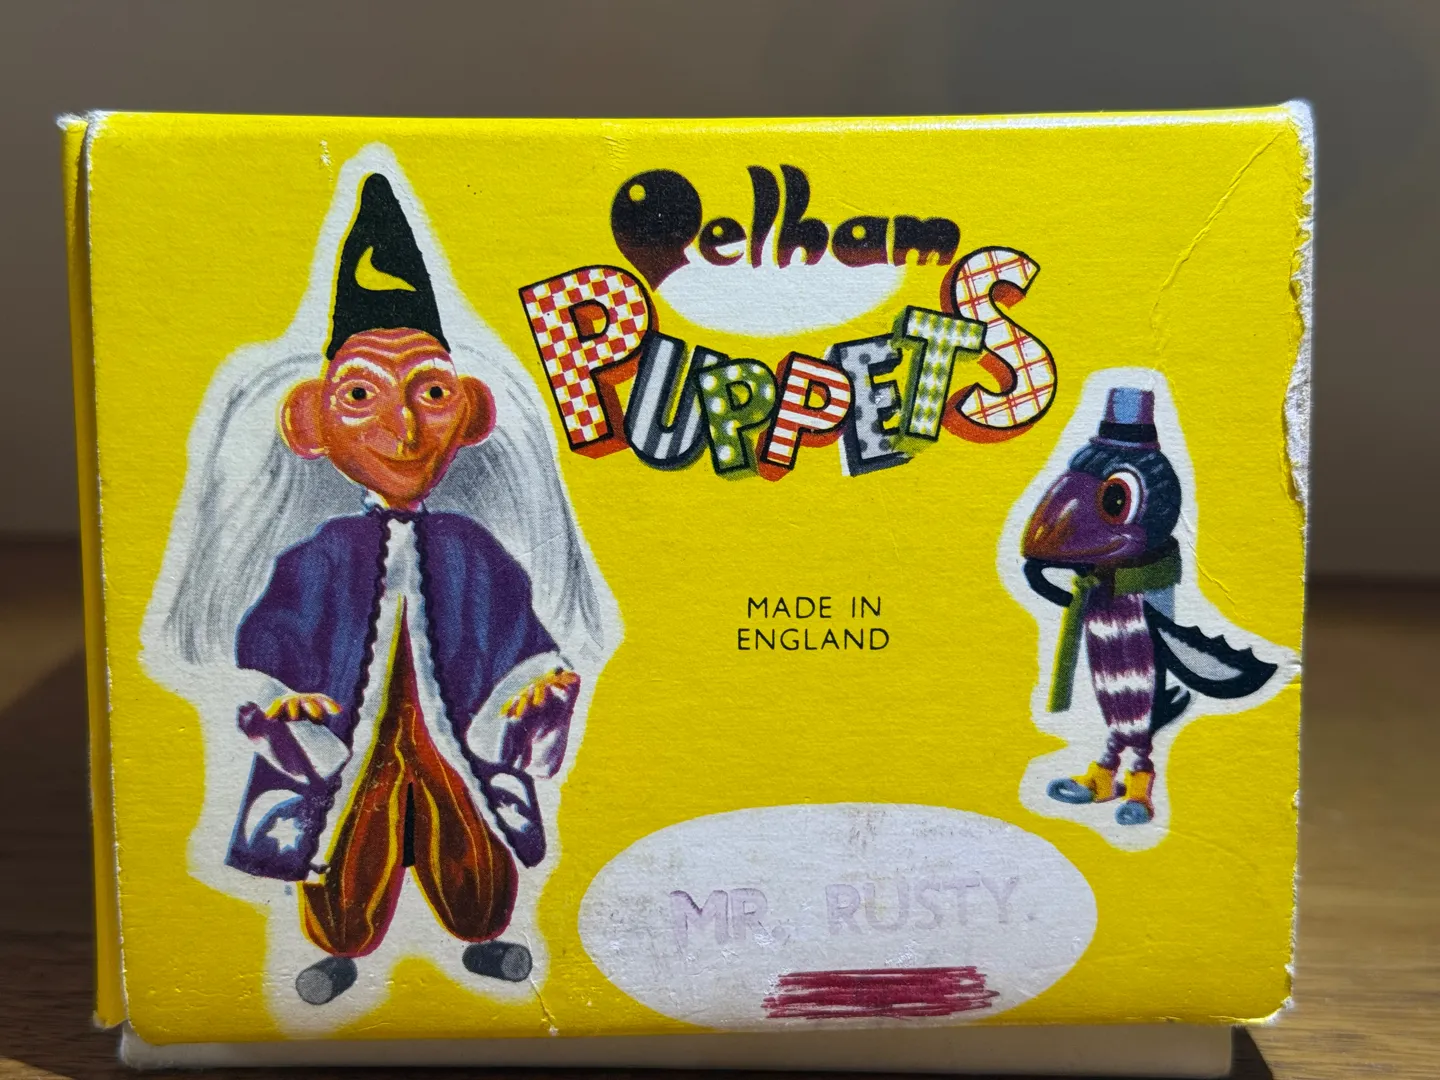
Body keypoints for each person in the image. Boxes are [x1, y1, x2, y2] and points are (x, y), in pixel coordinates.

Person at [178, 171, 602, 1006]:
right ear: (310, 421)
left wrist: (534, 684)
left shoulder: (473, 550)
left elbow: (516, 629)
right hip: (351, 737)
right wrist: (285, 697)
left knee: (467, 836)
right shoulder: (319, 555)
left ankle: (484, 939)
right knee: (347, 838)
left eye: (431, 394)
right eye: (362, 396)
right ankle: (339, 953)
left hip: (454, 735)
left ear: (470, 413)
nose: (402, 429)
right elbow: (272, 634)